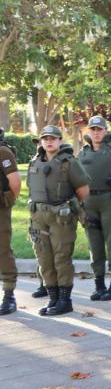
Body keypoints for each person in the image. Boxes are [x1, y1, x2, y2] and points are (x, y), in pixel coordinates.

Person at [27, 125, 90, 316]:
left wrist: (69, 207)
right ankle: (53, 298)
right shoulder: (35, 161)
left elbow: (83, 190)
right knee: (44, 258)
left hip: (61, 217)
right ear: (41, 142)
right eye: (45, 139)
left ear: (60, 141)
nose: (49, 141)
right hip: (39, 216)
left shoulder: (69, 162)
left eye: (53, 138)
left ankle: (65, 300)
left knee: (61, 258)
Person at [79, 115, 111, 301]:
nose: (96, 133)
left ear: (105, 131)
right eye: (93, 129)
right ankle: (99, 285)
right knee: (95, 245)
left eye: (100, 129)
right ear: (88, 131)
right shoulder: (82, 153)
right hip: (89, 202)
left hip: (110, 200)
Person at [0, 127, 19, 316]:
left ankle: (9, 295)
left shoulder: (3, 151)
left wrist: (6, 201)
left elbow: (15, 182)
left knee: (2, 249)